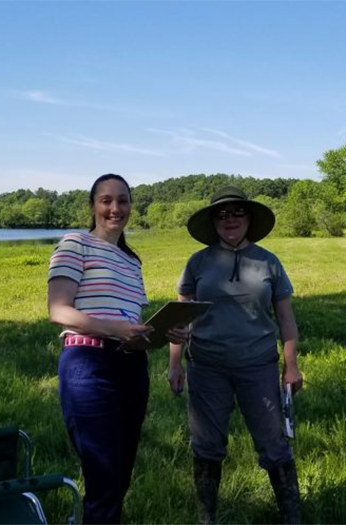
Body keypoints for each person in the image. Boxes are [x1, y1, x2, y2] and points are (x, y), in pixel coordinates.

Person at [48, 173, 184, 525]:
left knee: (120, 473)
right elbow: (58, 310)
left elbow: (131, 325)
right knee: (104, 473)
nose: (115, 208)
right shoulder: (74, 243)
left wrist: (163, 332)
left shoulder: (132, 261)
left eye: (123, 200)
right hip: (88, 364)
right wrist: (114, 329)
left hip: (131, 366)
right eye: (106, 200)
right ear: (92, 206)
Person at [167, 186, 303, 524]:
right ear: (213, 223)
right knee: (206, 444)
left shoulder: (268, 261)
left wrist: (291, 366)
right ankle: (206, 517)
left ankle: (292, 517)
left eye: (237, 213)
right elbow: (179, 317)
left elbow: (285, 318)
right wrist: (174, 363)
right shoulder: (198, 263)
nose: (230, 219)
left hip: (258, 365)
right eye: (222, 214)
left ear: (249, 218)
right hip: (206, 366)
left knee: (274, 445)